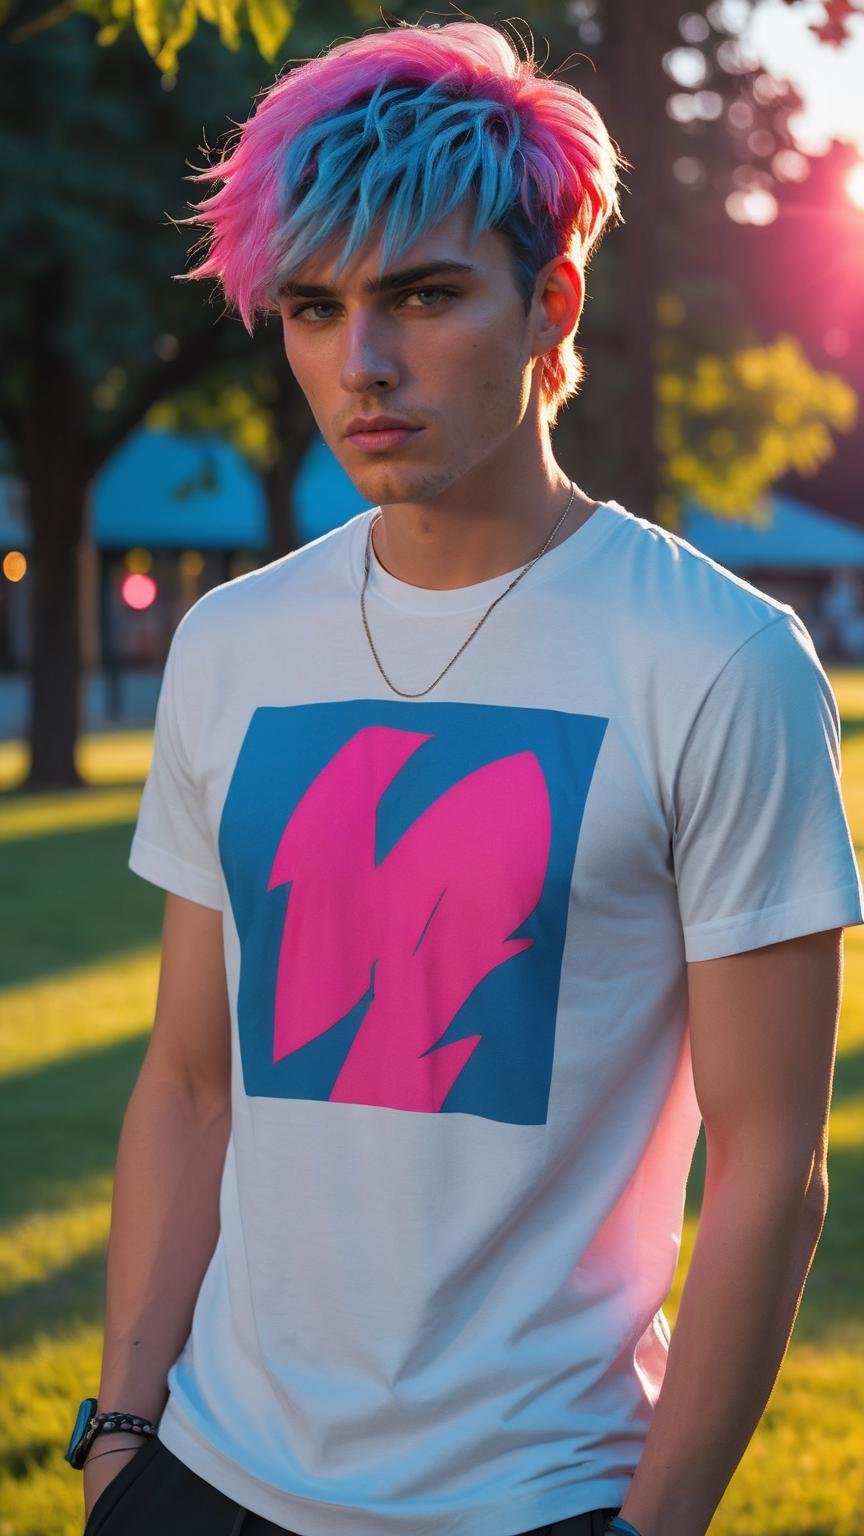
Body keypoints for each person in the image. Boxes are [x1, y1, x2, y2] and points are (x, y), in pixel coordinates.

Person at [68, 18, 864, 1536]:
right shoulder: (233, 646)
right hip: (204, 1481)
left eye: (423, 295)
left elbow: (774, 1162)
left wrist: (657, 1527)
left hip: (535, 1500)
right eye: (313, 308)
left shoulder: (717, 660)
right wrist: (123, 1433)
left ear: (548, 301)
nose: (360, 362)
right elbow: (186, 1078)